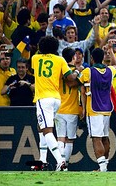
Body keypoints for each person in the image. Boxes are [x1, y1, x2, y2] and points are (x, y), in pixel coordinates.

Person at [31, 36, 80, 171]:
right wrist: (77, 70)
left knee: (47, 130)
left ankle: (60, 160)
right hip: (57, 99)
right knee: (41, 127)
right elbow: (70, 77)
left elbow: (35, 69)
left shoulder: (35, 59)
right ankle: (42, 160)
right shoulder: (60, 60)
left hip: (43, 98)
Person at [78, 46, 116, 172]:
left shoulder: (88, 72)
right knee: (105, 137)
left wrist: (83, 109)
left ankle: (102, 167)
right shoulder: (110, 71)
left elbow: (80, 87)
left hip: (93, 109)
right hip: (107, 108)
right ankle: (104, 166)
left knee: (96, 138)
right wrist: (111, 52)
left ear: (92, 58)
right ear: (104, 57)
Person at [55, 48, 80, 169]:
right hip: (72, 109)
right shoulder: (77, 71)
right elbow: (73, 83)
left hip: (59, 108)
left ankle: (60, 163)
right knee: (69, 140)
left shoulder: (59, 71)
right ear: (74, 57)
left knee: (60, 138)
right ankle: (65, 164)